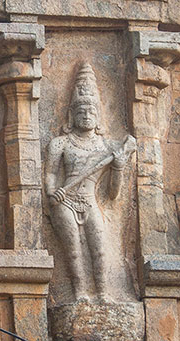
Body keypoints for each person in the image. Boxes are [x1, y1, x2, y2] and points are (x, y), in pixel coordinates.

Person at [45, 63, 133, 302]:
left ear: (98, 116)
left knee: (99, 248)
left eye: (91, 111)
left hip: (90, 200)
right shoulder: (60, 143)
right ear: (72, 114)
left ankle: (103, 293)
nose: (86, 115)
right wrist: (52, 192)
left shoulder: (107, 148)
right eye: (81, 110)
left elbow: (113, 194)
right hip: (65, 201)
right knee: (73, 251)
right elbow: (51, 173)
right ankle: (79, 292)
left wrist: (118, 166)